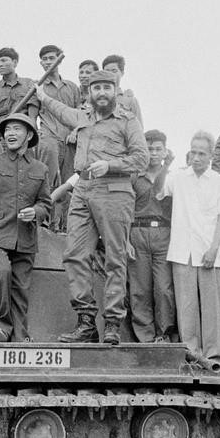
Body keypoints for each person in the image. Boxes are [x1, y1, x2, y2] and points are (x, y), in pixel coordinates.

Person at [34, 70, 148, 345]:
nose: (101, 93)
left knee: (114, 258)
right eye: (96, 88)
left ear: (115, 90)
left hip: (114, 190)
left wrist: (111, 165)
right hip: (83, 191)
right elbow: (60, 110)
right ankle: (86, 322)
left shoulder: (127, 121)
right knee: (74, 255)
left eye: (107, 87)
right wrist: (40, 95)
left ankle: (111, 323)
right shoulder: (83, 117)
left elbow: (142, 158)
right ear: (89, 92)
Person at [0, 113, 51, 342]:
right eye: (7, 130)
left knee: (20, 288)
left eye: (17, 129)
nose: (10, 134)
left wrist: (35, 212)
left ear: (29, 135)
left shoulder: (40, 168)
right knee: (1, 273)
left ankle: (20, 337)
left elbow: (46, 204)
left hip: (25, 239)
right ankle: (1, 324)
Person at [159, 130, 220, 368]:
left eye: (201, 153)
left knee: (212, 310)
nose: (196, 158)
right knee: (186, 309)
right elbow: (159, 191)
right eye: (193, 152)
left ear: (210, 156)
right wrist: (165, 164)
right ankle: (192, 355)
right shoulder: (177, 177)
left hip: (209, 252)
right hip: (182, 251)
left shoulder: (219, 181)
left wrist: (213, 249)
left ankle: (215, 358)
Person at [127, 129, 176, 343]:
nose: (154, 153)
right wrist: (126, 239)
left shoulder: (173, 178)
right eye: (149, 149)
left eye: (158, 149)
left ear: (165, 151)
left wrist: (167, 167)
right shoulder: (133, 177)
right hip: (138, 231)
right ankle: (145, 337)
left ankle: (163, 334)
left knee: (164, 288)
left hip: (164, 233)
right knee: (140, 289)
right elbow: (125, 209)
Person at [35, 45, 80, 231]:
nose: (48, 62)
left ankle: (67, 227)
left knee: (70, 183)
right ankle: (46, 224)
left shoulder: (72, 87)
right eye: (44, 59)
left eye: (51, 58)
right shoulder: (37, 87)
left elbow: (79, 115)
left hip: (70, 139)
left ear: (59, 60)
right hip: (48, 137)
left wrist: (76, 131)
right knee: (48, 181)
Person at [0, 47, 39, 131]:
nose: (0, 64)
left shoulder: (28, 84)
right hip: (1, 131)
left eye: (4, 60)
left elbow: (32, 116)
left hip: (23, 128)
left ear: (15, 62)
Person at [101, 54, 142, 125]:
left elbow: (139, 130)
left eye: (114, 71)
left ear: (122, 73)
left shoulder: (130, 100)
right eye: (107, 71)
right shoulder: (96, 98)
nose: (110, 74)